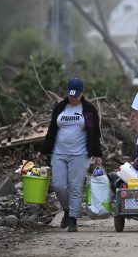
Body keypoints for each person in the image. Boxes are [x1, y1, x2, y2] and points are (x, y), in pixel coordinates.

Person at [41, 77, 103, 232]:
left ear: (82, 93)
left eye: (76, 95)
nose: (73, 98)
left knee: (75, 187)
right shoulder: (60, 108)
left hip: (80, 154)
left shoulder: (88, 109)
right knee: (59, 185)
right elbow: (52, 130)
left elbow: (95, 133)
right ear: (67, 93)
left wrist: (97, 154)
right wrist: (44, 150)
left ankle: (73, 219)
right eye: (71, 95)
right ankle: (67, 210)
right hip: (59, 153)